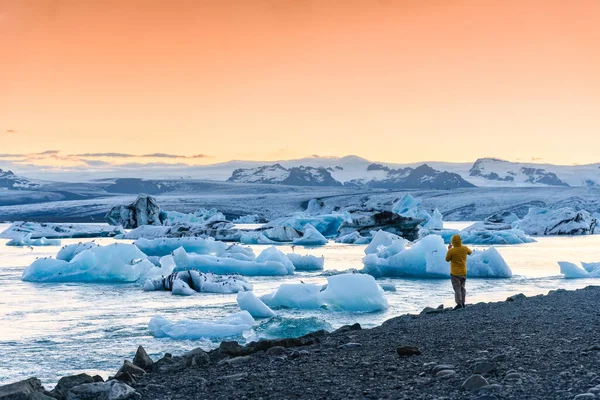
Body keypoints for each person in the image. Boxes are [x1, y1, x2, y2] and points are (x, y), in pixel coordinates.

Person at [445, 234, 472, 309]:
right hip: (463, 272)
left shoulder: (452, 251)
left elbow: (447, 259)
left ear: (453, 242)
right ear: (460, 241)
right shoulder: (465, 248)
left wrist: (449, 249)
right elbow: (470, 252)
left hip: (455, 273)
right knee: (462, 288)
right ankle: (463, 302)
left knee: (457, 289)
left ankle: (459, 304)